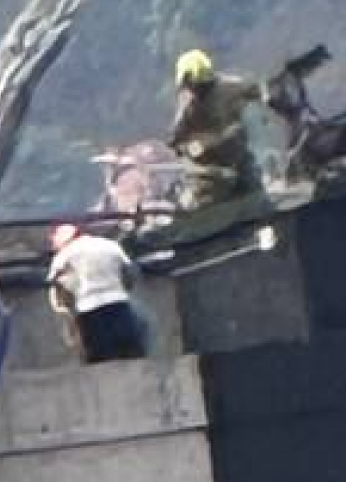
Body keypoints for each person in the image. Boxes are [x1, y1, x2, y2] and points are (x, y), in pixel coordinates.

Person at [169, 48, 269, 209]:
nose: (197, 90)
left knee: (260, 204)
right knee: (204, 213)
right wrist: (193, 148)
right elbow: (176, 141)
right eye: (192, 86)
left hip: (240, 162)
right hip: (208, 175)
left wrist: (262, 110)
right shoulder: (187, 104)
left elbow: (261, 92)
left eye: (201, 85)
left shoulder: (230, 87)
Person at [46, 224, 147, 363]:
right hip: (119, 304)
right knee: (131, 354)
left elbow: (56, 284)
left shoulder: (64, 254)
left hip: (89, 310)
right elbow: (130, 271)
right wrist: (123, 289)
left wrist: (65, 310)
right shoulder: (110, 245)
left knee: (100, 359)